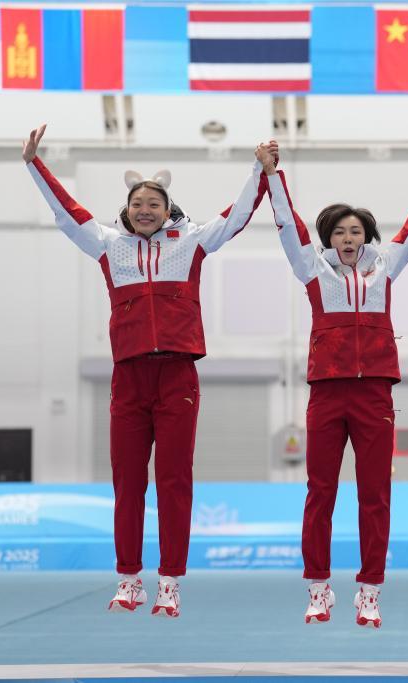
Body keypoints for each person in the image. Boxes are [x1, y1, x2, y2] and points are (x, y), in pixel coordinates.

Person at [22, 124, 269, 617]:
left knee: (174, 482)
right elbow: (66, 213)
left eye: (154, 202)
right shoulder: (108, 245)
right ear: (127, 209)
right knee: (128, 483)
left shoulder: (192, 242)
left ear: (168, 208)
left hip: (177, 377)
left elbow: (237, 215)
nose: (145, 209)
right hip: (129, 379)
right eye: (137, 203)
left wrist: (258, 171)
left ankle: (170, 582)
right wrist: (34, 163)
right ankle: (129, 579)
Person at [256, 140, 408, 628]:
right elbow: (287, 224)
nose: (348, 239)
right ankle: (318, 588)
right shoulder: (312, 267)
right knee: (319, 492)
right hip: (327, 391)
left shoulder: (385, 267)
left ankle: (370, 591)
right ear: (329, 237)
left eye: (356, 231)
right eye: (340, 232)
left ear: (368, 237)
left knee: (375, 494)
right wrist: (272, 175)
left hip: (375, 395)